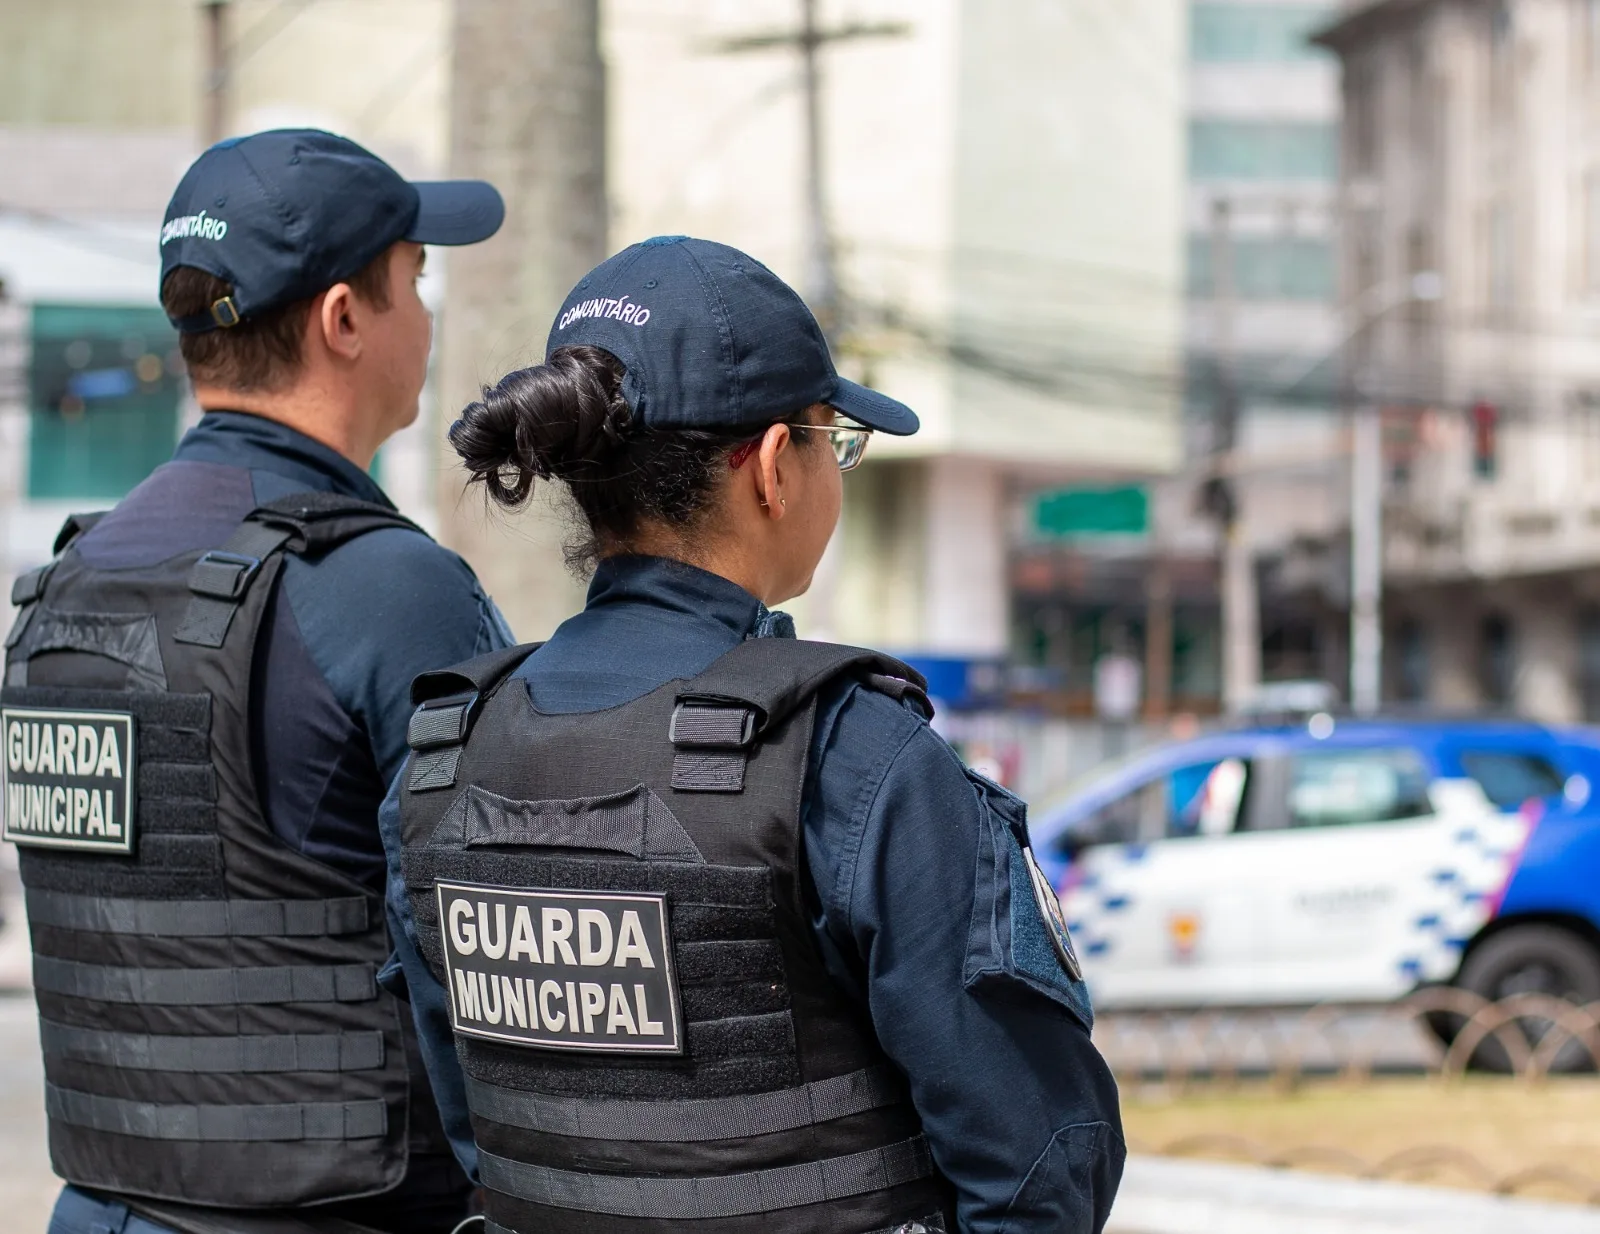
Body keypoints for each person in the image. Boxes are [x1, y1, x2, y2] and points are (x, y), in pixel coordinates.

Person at [383, 236, 1125, 1233]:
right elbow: (1039, 1161)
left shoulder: (445, 756)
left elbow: (480, 1137)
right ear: (775, 465)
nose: (837, 469)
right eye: (836, 441)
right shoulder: (849, 755)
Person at [8, 130, 514, 1234]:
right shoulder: (385, 588)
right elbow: (500, 945)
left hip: (98, 1208)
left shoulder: (60, 588)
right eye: (413, 282)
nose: (427, 319)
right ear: (344, 320)